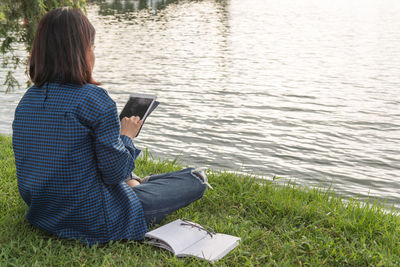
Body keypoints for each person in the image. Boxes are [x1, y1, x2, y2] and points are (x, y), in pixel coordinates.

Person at [12, 7, 209, 246]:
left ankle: (135, 183)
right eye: (91, 47)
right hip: (96, 218)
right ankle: (136, 185)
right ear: (81, 51)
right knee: (194, 178)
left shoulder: (28, 99)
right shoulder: (94, 98)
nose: (93, 53)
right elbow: (115, 173)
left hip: (43, 212)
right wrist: (126, 136)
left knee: (117, 168)